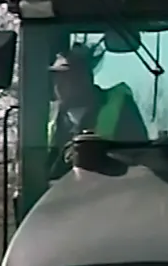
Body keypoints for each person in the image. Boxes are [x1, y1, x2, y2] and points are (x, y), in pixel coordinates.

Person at [47, 42, 149, 172]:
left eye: (66, 78)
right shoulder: (51, 122)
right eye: (56, 79)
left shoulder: (120, 108)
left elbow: (138, 159)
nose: (58, 86)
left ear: (85, 78)